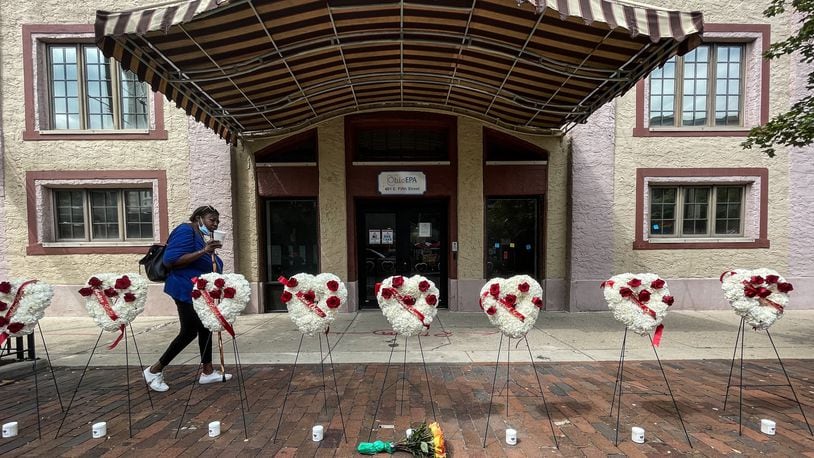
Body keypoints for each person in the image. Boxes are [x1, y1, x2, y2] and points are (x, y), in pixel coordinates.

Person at [143, 205, 232, 392]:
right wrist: (204, 251)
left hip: (198, 292)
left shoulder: (200, 236)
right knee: (189, 331)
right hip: (184, 289)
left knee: (205, 326)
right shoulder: (185, 230)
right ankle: (154, 370)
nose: (215, 224)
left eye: (217, 221)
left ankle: (207, 372)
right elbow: (171, 260)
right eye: (211, 220)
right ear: (198, 218)